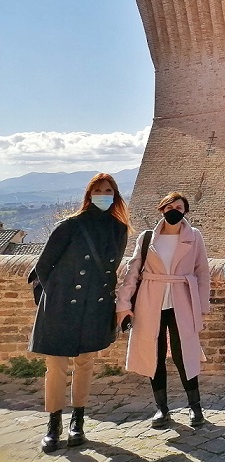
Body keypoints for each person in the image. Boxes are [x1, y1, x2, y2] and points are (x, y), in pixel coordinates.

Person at [29, 173, 131, 453]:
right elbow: (43, 266)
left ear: (115, 195)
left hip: (95, 306)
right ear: (89, 194)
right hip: (61, 307)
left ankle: (78, 421)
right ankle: (53, 424)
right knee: (56, 366)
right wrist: (58, 296)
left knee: (85, 365)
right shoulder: (70, 226)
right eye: (98, 190)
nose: (103, 194)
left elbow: (111, 269)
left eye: (108, 190)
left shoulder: (118, 229)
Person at [116, 192, 211, 429]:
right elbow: (133, 271)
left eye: (179, 206)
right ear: (161, 209)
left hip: (182, 300)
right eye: (170, 206)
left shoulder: (194, 236)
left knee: (184, 354)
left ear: (185, 211)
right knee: (153, 353)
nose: (174, 210)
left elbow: (202, 273)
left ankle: (195, 407)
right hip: (151, 300)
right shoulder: (147, 238)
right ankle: (161, 408)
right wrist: (124, 304)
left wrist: (201, 306)